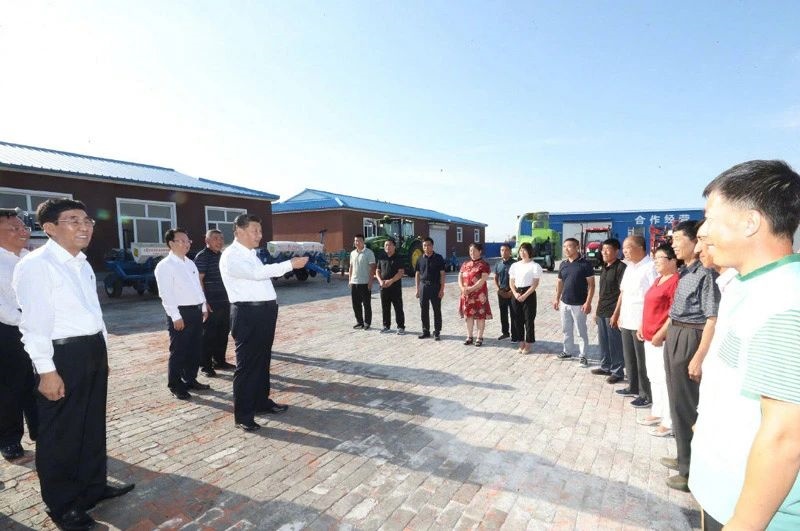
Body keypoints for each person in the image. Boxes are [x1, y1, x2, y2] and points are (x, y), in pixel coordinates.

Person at [689, 160, 800, 529]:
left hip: (753, 516)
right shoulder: (748, 285)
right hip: (723, 495)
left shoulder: (785, 301)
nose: (703, 231)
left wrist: (743, 524)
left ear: (750, 222)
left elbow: (785, 437)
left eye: (711, 218)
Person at [13, 198, 133, 530]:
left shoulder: (81, 262)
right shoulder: (37, 265)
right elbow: (33, 324)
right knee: (61, 433)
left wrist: (103, 352)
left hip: (91, 349)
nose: (84, 226)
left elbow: (93, 312)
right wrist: (46, 371)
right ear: (49, 228)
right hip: (61, 355)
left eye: (87, 220)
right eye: (73, 220)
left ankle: (93, 486)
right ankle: (63, 505)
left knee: (91, 424)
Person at [219, 214, 308, 432]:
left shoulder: (251, 254)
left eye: (260, 230)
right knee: (247, 365)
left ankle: (261, 402)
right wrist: (289, 264)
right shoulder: (231, 256)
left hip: (264, 313)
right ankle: (243, 415)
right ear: (239, 231)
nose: (259, 235)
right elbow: (257, 274)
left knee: (262, 360)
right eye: (255, 231)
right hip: (248, 314)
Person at [661, 219, 720, 492]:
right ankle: (683, 456)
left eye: (677, 239)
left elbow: (712, 318)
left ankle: (691, 472)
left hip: (690, 337)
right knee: (676, 401)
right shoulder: (685, 271)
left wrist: (698, 357)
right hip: (676, 333)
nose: (673, 244)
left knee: (686, 404)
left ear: (695, 241)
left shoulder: (706, 274)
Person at [154, 229, 210, 400]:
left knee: (194, 348)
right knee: (179, 350)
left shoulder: (190, 263)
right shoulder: (165, 266)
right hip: (180, 313)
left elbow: (197, 286)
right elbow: (166, 294)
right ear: (171, 243)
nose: (187, 244)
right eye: (182, 241)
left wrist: (203, 306)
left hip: (195, 311)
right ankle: (175, 385)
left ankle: (190, 379)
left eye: (188, 241)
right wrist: (175, 316)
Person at [0, 209, 37, 461]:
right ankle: (10, 439)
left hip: (36, 328)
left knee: (38, 381)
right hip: (9, 331)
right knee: (10, 387)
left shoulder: (30, 259)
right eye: (15, 228)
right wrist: (28, 322)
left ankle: (41, 430)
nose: (23, 231)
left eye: (24, 227)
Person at [636, 244, 680, 437]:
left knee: (664, 379)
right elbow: (649, 305)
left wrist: (661, 333)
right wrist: (641, 325)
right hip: (648, 336)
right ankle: (658, 412)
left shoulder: (675, 281)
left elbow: (674, 313)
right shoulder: (658, 280)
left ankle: (669, 422)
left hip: (661, 340)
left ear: (672, 260)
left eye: (659, 258)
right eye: (654, 258)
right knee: (653, 377)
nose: (655, 262)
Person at [612, 236, 658, 408]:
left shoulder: (650, 267)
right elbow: (623, 293)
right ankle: (633, 386)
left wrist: (645, 322)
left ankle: (646, 394)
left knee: (642, 360)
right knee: (629, 357)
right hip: (627, 319)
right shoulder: (630, 267)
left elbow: (654, 297)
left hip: (641, 321)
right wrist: (618, 314)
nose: (625, 251)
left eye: (628, 247)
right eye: (624, 248)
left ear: (640, 247)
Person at [194, 229, 235, 377]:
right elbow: (199, 280)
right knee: (208, 335)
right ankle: (205, 365)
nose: (219, 241)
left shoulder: (222, 256)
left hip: (225, 300)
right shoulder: (202, 257)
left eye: (221, 238)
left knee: (223, 332)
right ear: (207, 241)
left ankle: (220, 361)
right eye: (216, 238)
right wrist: (204, 302)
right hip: (211, 302)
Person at [553, 238, 595, 366]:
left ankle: (583, 356)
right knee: (566, 329)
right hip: (565, 302)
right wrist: (557, 298)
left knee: (581, 331)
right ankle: (567, 351)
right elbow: (560, 282)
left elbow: (591, 285)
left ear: (577, 247)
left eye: (569, 246)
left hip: (579, 304)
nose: (566, 249)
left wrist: (588, 302)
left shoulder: (585, 264)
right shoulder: (563, 264)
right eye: (564, 246)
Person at [591, 238, 626, 383]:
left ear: (616, 251)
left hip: (613, 311)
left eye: (607, 249)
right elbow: (602, 292)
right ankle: (605, 367)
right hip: (602, 311)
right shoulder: (605, 267)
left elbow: (623, 293)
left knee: (615, 343)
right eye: (602, 249)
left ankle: (617, 372)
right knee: (604, 342)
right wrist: (597, 311)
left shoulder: (621, 268)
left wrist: (616, 314)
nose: (604, 252)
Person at [508, 242, 542, 354]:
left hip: (529, 294)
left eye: (525, 250)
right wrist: (515, 293)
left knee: (529, 320)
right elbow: (511, 282)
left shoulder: (535, 266)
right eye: (521, 250)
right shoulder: (515, 265)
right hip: (516, 293)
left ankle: (528, 344)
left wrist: (525, 295)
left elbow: (535, 284)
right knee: (517, 320)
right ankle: (521, 343)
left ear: (530, 252)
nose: (522, 252)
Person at [458, 243, 493, 346]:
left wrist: (471, 289)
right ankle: (469, 337)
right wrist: (462, 288)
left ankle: (479, 337)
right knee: (468, 316)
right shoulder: (465, 264)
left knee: (480, 316)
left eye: (474, 250)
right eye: (470, 251)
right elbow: (460, 277)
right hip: (466, 295)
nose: (472, 253)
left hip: (479, 296)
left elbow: (482, 280)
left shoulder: (484, 265)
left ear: (480, 251)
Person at [415, 237, 446, 340]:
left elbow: (442, 274)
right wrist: (417, 289)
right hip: (423, 287)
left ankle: (437, 332)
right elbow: (417, 274)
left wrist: (442, 289)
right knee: (424, 310)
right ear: (422, 247)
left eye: (429, 245)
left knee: (436, 310)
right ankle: (425, 331)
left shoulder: (439, 258)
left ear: (432, 246)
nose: (426, 247)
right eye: (424, 245)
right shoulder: (420, 258)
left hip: (435, 286)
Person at [375, 238, 405, 334]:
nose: (387, 247)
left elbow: (401, 272)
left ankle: (401, 327)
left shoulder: (398, 257)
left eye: (389, 245)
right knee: (385, 307)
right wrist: (380, 281)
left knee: (398, 307)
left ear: (394, 246)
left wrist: (391, 281)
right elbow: (377, 270)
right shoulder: (381, 257)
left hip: (395, 287)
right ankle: (386, 326)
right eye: (386, 245)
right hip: (383, 287)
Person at [349, 234, 376, 330]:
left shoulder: (369, 253)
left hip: (365, 282)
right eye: (355, 241)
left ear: (363, 241)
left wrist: (370, 282)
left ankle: (367, 322)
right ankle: (359, 322)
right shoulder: (352, 253)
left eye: (359, 240)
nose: (357, 242)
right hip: (354, 282)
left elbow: (373, 268)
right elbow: (351, 267)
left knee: (366, 304)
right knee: (355, 304)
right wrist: (350, 280)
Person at [493, 243, 516, 341]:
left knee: (514, 314)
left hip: (512, 293)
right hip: (501, 292)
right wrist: (498, 290)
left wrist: (512, 291)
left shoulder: (515, 264)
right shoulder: (498, 264)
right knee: (503, 313)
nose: (504, 252)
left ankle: (515, 335)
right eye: (502, 250)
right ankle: (505, 333)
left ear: (510, 251)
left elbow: (518, 279)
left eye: (506, 250)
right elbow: (495, 278)